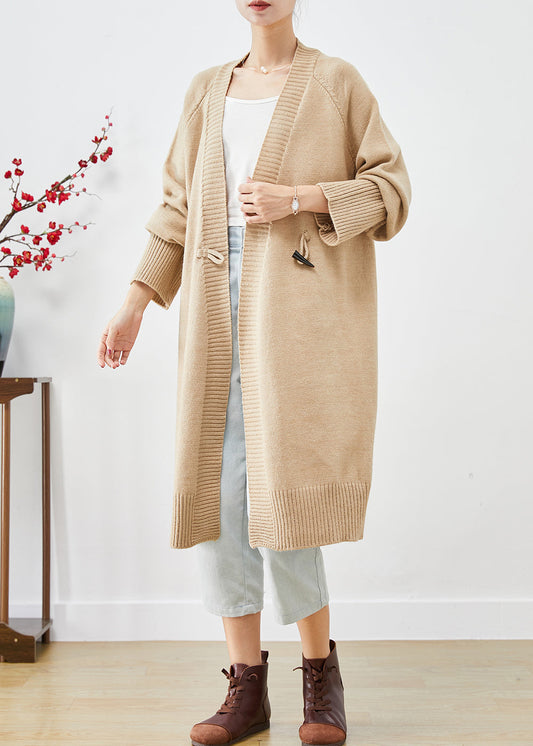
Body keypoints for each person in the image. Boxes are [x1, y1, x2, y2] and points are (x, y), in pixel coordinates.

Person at [97, 2, 411, 744]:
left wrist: (300, 197)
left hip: (297, 314)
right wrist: (135, 301)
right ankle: (245, 688)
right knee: (219, 492)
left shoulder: (336, 83)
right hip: (213, 305)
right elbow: (176, 209)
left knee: (283, 492)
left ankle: (320, 677)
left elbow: (392, 191)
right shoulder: (206, 90)